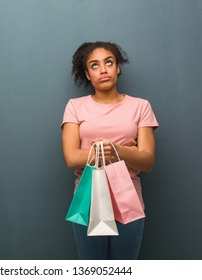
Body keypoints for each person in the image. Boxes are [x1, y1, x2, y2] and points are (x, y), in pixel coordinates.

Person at [61, 41, 159, 260]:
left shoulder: (140, 106)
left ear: (118, 68)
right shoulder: (75, 106)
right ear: (87, 74)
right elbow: (71, 157)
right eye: (94, 66)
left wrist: (116, 150)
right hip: (88, 202)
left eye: (109, 62)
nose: (103, 70)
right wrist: (124, 152)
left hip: (129, 203)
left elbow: (148, 160)